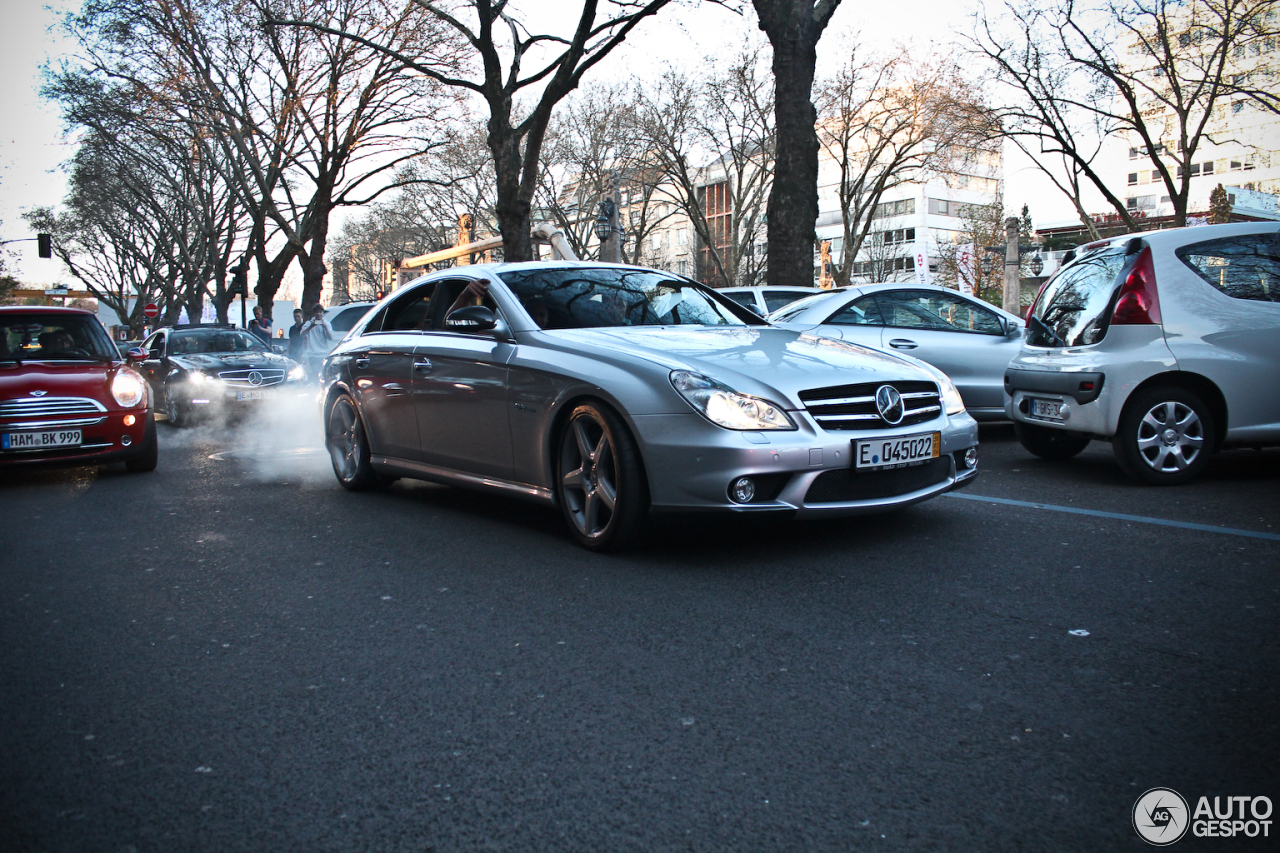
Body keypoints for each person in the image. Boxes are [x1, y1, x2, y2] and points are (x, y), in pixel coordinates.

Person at [300, 304, 333, 382]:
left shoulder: (326, 323)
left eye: (320, 312)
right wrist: (311, 326)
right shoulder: (309, 323)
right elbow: (302, 334)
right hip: (312, 354)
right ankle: (315, 390)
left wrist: (325, 327)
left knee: (323, 374)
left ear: (322, 313)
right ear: (314, 313)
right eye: (316, 312)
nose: (318, 314)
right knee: (315, 374)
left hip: (323, 353)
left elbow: (331, 337)